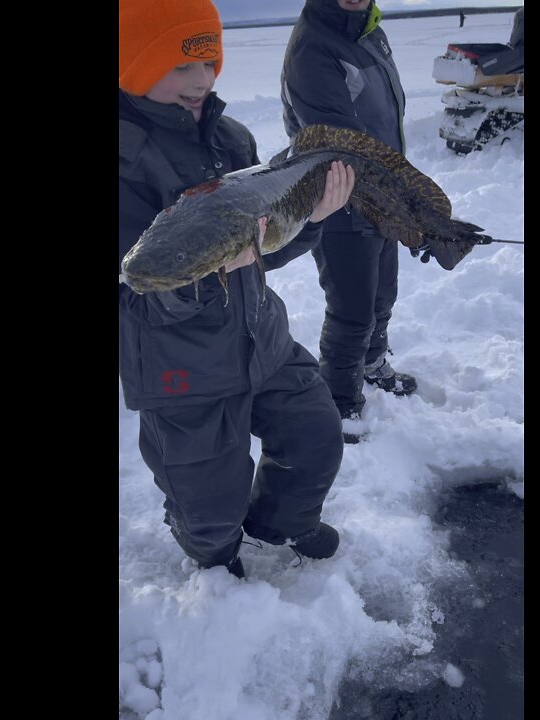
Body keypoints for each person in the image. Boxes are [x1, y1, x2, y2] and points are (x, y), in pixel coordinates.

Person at [119, 0, 357, 580]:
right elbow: (137, 287)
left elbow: (267, 251)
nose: (200, 80)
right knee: (208, 498)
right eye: (180, 66)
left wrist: (315, 216)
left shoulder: (232, 139)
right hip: (182, 372)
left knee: (315, 435)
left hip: (263, 341)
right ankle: (216, 557)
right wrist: (209, 269)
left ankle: (280, 522)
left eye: (208, 62)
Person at [280, 0, 418, 444]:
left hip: (383, 190)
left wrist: (399, 198)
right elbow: (342, 141)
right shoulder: (314, 47)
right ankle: (340, 401)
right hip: (339, 196)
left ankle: (373, 362)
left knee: (383, 292)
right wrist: (413, 203)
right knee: (352, 307)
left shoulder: (368, 31)